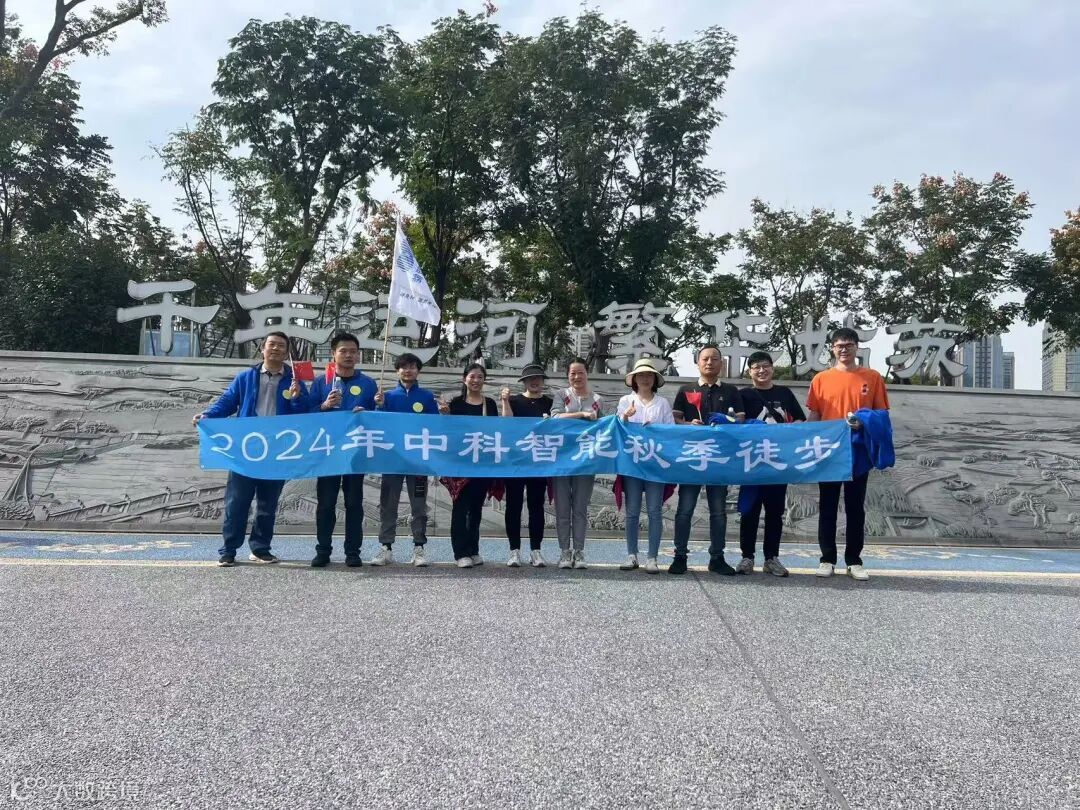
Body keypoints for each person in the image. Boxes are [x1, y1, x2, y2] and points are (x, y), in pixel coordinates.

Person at [192, 331, 307, 567]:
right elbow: (227, 402)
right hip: (245, 449)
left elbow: (304, 415)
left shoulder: (294, 381)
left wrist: (296, 398)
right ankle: (228, 550)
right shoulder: (246, 377)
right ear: (262, 349)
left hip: (277, 451)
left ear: (286, 352)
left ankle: (260, 548)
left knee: (268, 503)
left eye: (281, 346)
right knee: (237, 502)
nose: (275, 349)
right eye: (271, 344)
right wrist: (208, 416)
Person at [806, 327, 890, 582]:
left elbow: (881, 414)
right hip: (829, 451)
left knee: (855, 507)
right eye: (839, 345)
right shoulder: (821, 379)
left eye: (849, 345)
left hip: (858, 451)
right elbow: (815, 415)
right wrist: (805, 441)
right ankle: (827, 559)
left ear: (856, 347)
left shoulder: (872, 377)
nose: (844, 349)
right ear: (832, 349)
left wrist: (864, 421)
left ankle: (854, 560)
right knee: (828, 506)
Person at [668, 344, 745, 576]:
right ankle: (680, 556)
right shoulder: (686, 389)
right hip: (692, 458)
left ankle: (717, 558)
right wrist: (688, 424)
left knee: (718, 512)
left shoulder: (731, 391)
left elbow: (741, 420)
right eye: (705, 359)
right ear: (698, 362)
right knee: (685, 509)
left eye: (714, 359)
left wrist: (726, 421)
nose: (709, 362)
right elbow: (675, 420)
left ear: (721, 363)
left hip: (719, 460)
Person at [307, 332, 377, 568]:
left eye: (353, 352)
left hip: (355, 454)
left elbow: (378, 418)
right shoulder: (321, 382)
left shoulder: (368, 384)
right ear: (333, 354)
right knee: (326, 503)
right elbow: (307, 414)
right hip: (328, 452)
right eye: (343, 351)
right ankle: (323, 551)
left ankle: (352, 552)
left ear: (358, 355)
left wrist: (369, 413)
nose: (348, 355)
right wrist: (325, 406)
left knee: (354, 504)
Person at [736, 351, 806, 577]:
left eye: (765, 366)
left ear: (772, 368)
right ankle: (747, 557)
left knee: (775, 512)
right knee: (749, 511)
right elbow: (735, 424)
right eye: (756, 367)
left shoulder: (784, 393)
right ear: (749, 372)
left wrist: (790, 428)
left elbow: (800, 419)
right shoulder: (743, 395)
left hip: (777, 462)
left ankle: (771, 558)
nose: (761, 370)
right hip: (752, 462)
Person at [373, 352, 440, 567]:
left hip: (417, 461)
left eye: (412, 366)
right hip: (392, 460)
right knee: (388, 504)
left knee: (418, 505)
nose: (408, 370)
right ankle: (386, 547)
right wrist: (379, 406)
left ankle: (419, 548)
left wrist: (443, 413)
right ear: (397, 371)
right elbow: (378, 424)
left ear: (418, 371)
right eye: (404, 367)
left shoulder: (427, 397)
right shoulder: (387, 396)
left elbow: (435, 425)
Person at [616, 357, 674, 574]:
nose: (645, 378)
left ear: (655, 379)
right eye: (641, 375)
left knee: (654, 511)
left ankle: (652, 557)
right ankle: (631, 554)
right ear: (634, 379)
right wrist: (626, 417)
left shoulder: (662, 403)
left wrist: (655, 428)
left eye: (649, 375)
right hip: (632, 464)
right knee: (632, 511)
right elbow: (617, 429)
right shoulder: (626, 401)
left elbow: (671, 431)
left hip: (655, 464)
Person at [550, 357, 604, 569]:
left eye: (580, 372)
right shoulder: (561, 395)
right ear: (568, 376)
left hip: (586, 461)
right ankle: (565, 551)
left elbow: (604, 426)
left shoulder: (597, 399)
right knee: (563, 508)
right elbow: (555, 417)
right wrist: (581, 414)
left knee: (580, 508)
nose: (577, 376)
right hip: (562, 460)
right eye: (572, 373)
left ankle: (579, 551)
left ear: (587, 374)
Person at [500, 363, 554, 568]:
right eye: (530, 378)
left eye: (538, 378)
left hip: (538, 462)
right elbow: (507, 423)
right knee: (513, 505)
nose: (534, 381)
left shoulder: (549, 403)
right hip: (515, 461)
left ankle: (535, 550)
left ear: (543, 381)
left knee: (536, 506)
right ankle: (514, 550)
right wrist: (505, 400)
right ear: (523, 382)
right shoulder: (514, 401)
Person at [447, 364, 498, 567]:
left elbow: (497, 431)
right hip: (460, 464)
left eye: (480, 377)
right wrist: (445, 415)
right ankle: (460, 553)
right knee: (460, 507)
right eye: (472, 376)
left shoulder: (490, 404)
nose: (476, 380)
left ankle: (473, 549)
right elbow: (448, 431)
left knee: (476, 508)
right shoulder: (455, 404)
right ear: (464, 379)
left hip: (482, 463)